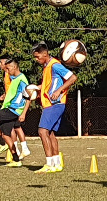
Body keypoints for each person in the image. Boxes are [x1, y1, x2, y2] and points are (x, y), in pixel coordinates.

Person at [32, 42, 77, 173]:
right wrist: (38, 88)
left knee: (42, 131)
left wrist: (59, 91)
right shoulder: (47, 66)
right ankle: (56, 163)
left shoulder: (55, 65)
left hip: (55, 104)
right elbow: (50, 84)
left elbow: (72, 77)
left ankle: (49, 163)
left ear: (45, 54)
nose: (36, 59)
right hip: (51, 104)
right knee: (50, 133)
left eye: (37, 56)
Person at [0, 57, 31, 167]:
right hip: (10, 108)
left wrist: (23, 113)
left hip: (13, 110)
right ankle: (16, 160)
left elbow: (28, 97)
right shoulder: (15, 79)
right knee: (7, 135)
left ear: (14, 67)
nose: (7, 70)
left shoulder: (22, 80)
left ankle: (1, 144)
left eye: (9, 68)